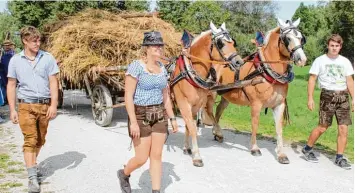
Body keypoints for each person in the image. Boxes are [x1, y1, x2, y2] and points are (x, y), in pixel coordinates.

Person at [117, 31, 178, 193]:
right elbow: (128, 95)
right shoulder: (136, 66)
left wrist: (172, 118)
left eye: (160, 45)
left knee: (157, 156)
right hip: (140, 115)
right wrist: (133, 122)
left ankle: (156, 191)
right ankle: (124, 174)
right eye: (155, 45)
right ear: (147, 48)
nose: (159, 48)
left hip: (158, 115)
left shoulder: (162, 68)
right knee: (142, 158)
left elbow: (165, 96)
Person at [7, 26, 59, 192]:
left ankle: (32, 165)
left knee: (40, 140)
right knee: (30, 139)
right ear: (25, 41)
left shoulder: (48, 57)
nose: (38, 43)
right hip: (25, 106)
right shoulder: (15, 60)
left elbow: (53, 82)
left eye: (39, 40)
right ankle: (32, 178)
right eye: (34, 41)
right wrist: (12, 109)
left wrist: (54, 105)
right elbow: (11, 85)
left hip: (44, 105)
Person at [302, 34, 354, 170]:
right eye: (332, 45)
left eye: (337, 46)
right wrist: (310, 98)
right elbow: (312, 79)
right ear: (328, 46)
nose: (334, 48)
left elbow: (349, 81)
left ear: (340, 47)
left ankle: (339, 157)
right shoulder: (320, 60)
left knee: (343, 128)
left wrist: (353, 98)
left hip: (343, 97)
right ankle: (307, 149)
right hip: (327, 96)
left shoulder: (345, 61)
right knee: (323, 127)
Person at [0, 40, 16, 105]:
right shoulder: (3, 54)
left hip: (9, 74)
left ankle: (8, 100)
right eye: (5, 45)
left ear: (11, 46)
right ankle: (5, 100)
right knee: (4, 87)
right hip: (2, 74)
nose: (7, 47)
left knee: (9, 87)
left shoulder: (12, 55)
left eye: (8, 45)